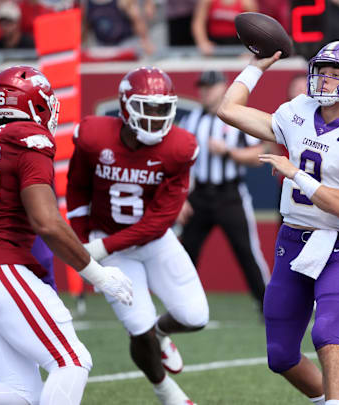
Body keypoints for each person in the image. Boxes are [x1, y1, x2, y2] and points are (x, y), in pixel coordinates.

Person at [217, 41, 339, 405]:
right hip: (293, 240)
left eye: (336, 74)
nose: (325, 80)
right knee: (281, 356)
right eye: (322, 71)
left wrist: (296, 174)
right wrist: (256, 67)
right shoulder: (297, 111)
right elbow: (228, 109)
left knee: (327, 335)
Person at [0, 65, 132, 405]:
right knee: (72, 360)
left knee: (21, 392)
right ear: (35, 105)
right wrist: (98, 275)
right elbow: (46, 222)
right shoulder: (29, 137)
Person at [66, 67, 208, 405]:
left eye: (163, 108)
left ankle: (161, 334)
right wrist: (84, 240)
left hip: (151, 242)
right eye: (149, 107)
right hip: (110, 242)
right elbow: (77, 189)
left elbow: (160, 222)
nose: (157, 117)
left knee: (195, 317)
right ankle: (166, 391)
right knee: (138, 326)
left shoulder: (180, 146)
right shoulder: (93, 135)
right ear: (126, 106)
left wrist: (95, 250)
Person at [177, 70, 270, 311]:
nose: (206, 92)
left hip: (229, 195)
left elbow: (259, 156)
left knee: (247, 252)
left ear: (223, 87)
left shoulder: (235, 118)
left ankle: (267, 305)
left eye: (211, 87)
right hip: (199, 195)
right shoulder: (190, 120)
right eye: (203, 87)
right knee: (186, 253)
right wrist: (180, 197)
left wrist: (229, 152)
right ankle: (183, 306)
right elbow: (180, 162)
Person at [191, 0, 258, 56]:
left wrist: (250, 48)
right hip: (214, 44)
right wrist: (203, 43)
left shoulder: (247, 3)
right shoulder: (208, 1)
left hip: (237, 43)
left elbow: (254, 28)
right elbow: (198, 23)